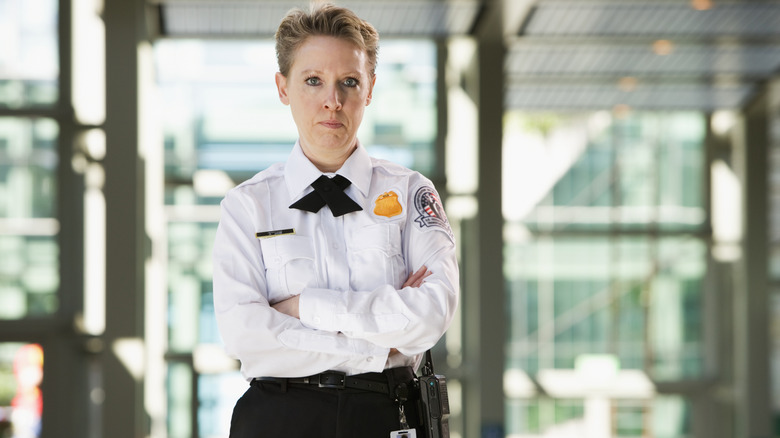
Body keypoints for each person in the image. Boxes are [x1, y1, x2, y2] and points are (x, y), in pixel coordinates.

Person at [212, 2, 459, 437]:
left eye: (349, 81)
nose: (333, 100)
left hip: (387, 416)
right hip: (277, 419)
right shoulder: (247, 205)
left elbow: (432, 313)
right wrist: (376, 342)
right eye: (313, 80)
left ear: (370, 88)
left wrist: (303, 307)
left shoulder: (410, 192)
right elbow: (244, 334)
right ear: (283, 86)